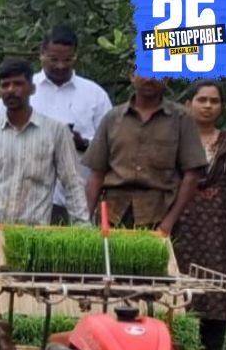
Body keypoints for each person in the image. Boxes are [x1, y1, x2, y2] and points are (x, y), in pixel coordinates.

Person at [0, 26, 112, 225]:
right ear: (42, 54)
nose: (60, 66)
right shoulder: (21, 89)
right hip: (23, 201)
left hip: (76, 202)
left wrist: (83, 144)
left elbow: (110, 147)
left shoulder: (95, 95)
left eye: (67, 60)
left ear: (76, 56)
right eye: (54, 59)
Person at [171, 81, 226, 350]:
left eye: (214, 101)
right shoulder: (176, 141)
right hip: (182, 227)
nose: (207, 106)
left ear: (221, 107)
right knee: (178, 291)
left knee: (218, 293)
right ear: (188, 104)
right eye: (201, 100)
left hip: (221, 232)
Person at [0, 58, 90, 226]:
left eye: (18, 84)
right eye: (5, 85)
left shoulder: (56, 132)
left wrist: (83, 227)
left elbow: (72, 185)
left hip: (33, 232)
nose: (11, 90)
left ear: (32, 89)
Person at [84, 71, 207, 233]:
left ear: (167, 78)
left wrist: (169, 222)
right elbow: (97, 173)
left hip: (160, 214)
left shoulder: (181, 118)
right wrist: (84, 221)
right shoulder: (112, 118)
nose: (149, 78)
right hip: (112, 214)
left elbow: (192, 175)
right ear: (132, 76)